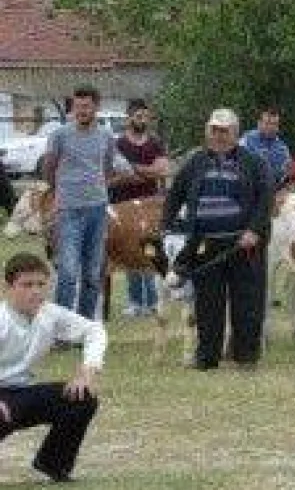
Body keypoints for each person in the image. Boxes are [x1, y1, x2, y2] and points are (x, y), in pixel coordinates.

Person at [160, 108, 274, 369]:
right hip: (204, 243)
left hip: (243, 243)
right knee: (207, 303)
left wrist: (254, 230)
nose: (218, 135)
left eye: (224, 131)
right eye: (214, 130)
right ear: (207, 131)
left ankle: (246, 357)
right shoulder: (195, 161)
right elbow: (174, 195)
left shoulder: (253, 162)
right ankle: (207, 357)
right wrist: (166, 227)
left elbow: (265, 199)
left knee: (247, 302)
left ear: (235, 133)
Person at [0, 252, 106, 482]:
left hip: (20, 395)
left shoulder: (50, 314)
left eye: (41, 284)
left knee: (81, 397)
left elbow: (94, 331)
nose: (36, 291)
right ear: (8, 287)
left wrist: (87, 371)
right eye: (27, 285)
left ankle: (54, 465)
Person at [41, 85, 123, 320]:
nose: (81, 111)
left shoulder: (106, 135)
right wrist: (59, 192)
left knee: (92, 273)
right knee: (67, 272)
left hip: (98, 209)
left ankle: (83, 326)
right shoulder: (59, 135)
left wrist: (97, 188)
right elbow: (49, 167)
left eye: (86, 106)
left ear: (96, 107)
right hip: (68, 210)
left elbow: (108, 167)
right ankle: (61, 330)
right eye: (77, 106)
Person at [110, 99, 170, 318]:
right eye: (138, 116)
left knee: (151, 250)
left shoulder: (155, 143)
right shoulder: (117, 144)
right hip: (121, 206)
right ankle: (135, 301)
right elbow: (112, 176)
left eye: (145, 116)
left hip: (150, 205)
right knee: (129, 250)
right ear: (129, 118)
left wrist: (133, 169)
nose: (142, 120)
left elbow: (162, 171)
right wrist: (145, 171)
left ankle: (153, 301)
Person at [240, 106, 291, 189]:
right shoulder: (247, 140)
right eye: (267, 123)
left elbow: (285, 175)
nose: (271, 127)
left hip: (273, 190)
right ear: (259, 123)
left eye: (274, 124)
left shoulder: (282, 148)